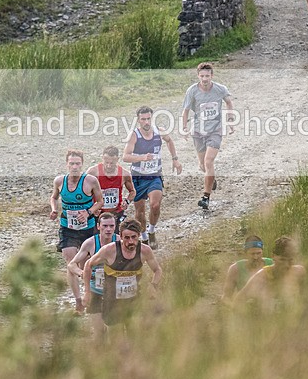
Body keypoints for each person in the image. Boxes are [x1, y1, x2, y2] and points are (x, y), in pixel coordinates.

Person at [50, 149, 104, 314]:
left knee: (86, 264)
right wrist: (54, 209)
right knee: (70, 263)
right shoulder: (59, 181)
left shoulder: (91, 181)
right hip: (68, 228)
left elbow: (100, 201)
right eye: (71, 163)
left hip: (88, 228)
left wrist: (88, 212)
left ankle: (90, 293)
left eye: (77, 164)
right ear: (67, 164)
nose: (74, 167)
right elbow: (53, 197)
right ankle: (78, 301)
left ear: (82, 164)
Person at [83, 219, 163, 330]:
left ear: (139, 235)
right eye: (126, 238)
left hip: (134, 299)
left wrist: (153, 286)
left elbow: (157, 270)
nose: (130, 241)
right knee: (115, 338)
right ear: (120, 236)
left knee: (135, 335)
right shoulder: (109, 250)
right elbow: (88, 265)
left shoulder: (145, 250)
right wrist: (87, 292)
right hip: (112, 300)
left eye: (134, 237)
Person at [122, 106, 182, 250]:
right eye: (143, 119)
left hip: (155, 175)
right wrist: (142, 157)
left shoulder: (159, 131)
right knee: (140, 212)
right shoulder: (134, 135)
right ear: (138, 120)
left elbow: (169, 141)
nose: (146, 122)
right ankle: (143, 237)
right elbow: (125, 156)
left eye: (148, 118)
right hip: (138, 177)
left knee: (155, 205)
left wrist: (175, 159)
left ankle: (152, 230)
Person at [181, 62, 234, 211]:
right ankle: (211, 179)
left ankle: (206, 197)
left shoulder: (219, 89)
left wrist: (230, 121)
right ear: (198, 76)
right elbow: (185, 111)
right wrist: (184, 128)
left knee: (208, 161)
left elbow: (229, 103)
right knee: (203, 165)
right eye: (202, 76)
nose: (205, 79)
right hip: (198, 132)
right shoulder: (192, 91)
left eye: (207, 76)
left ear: (212, 76)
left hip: (215, 131)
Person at [67, 212, 118, 339]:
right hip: (95, 291)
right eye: (105, 226)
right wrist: (82, 273)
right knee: (99, 332)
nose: (108, 229)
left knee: (115, 332)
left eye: (111, 226)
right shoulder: (90, 243)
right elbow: (71, 265)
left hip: (114, 292)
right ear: (98, 226)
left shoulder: (120, 241)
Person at [234, 236, 305, 314]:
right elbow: (238, 301)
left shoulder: (299, 272)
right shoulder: (261, 277)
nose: (286, 265)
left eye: (290, 260)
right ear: (273, 256)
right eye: (282, 260)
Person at [87, 145, 136, 230]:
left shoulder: (124, 174)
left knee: (116, 240)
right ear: (102, 158)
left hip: (116, 213)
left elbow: (132, 191)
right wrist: (92, 207)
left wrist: (127, 202)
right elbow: (84, 192)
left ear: (117, 159)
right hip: (98, 214)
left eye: (112, 163)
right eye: (106, 162)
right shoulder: (93, 172)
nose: (109, 166)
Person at [221, 235, 274, 307]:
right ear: (245, 253)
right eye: (252, 254)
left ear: (262, 252)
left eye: (258, 253)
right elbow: (226, 297)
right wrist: (235, 307)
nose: (255, 257)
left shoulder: (271, 264)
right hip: (245, 308)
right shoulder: (235, 269)